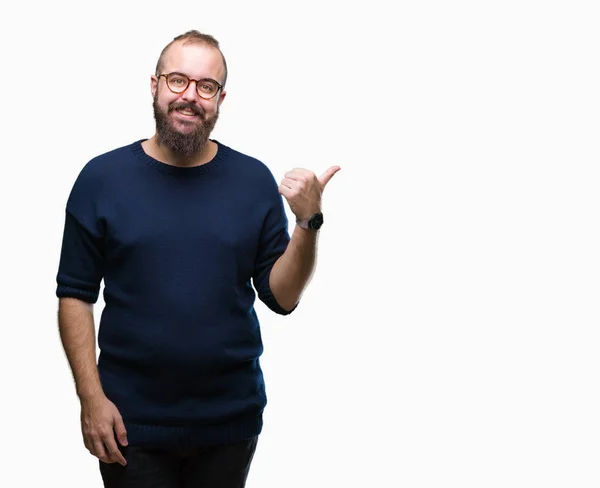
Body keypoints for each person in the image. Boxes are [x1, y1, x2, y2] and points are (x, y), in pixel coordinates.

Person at [55, 30, 340, 488]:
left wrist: (307, 223)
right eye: (178, 80)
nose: (190, 96)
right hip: (130, 425)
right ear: (154, 85)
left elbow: (282, 298)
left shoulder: (251, 180)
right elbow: (75, 294)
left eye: (206, 86)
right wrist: (91, 398)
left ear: (220, 98)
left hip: (229, 423)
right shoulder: (101, 179)